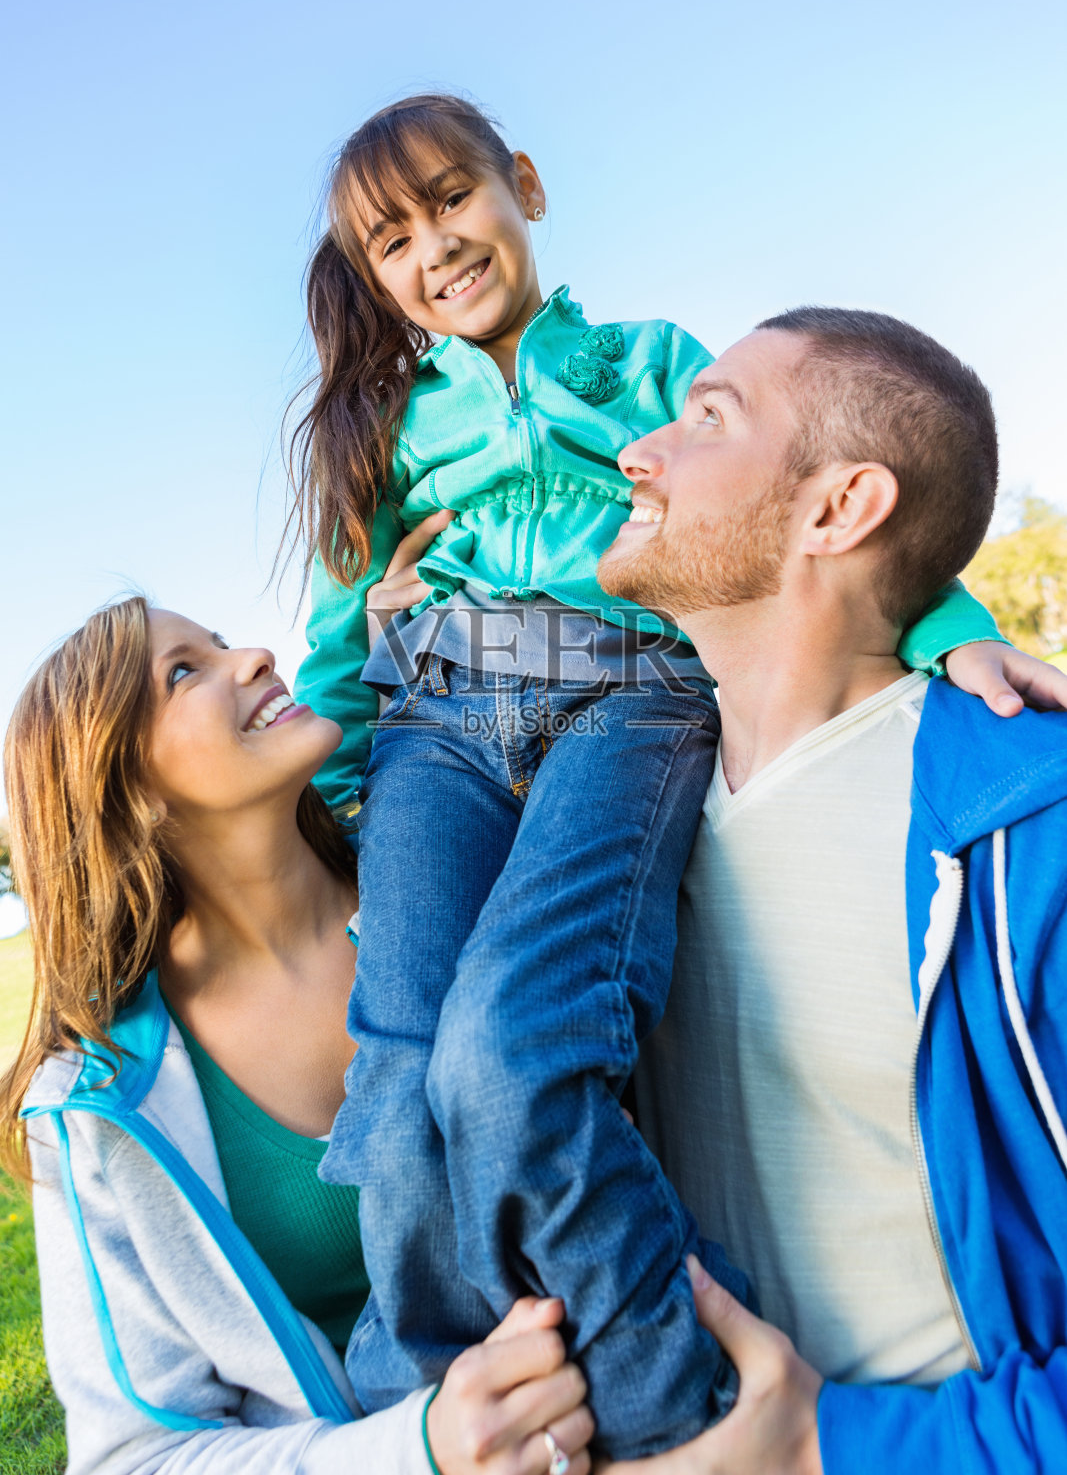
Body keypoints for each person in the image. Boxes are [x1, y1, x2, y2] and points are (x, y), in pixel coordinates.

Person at [289, 91, 1044, 1456]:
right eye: (390, 240)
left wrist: (958, 631)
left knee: (514, 1041)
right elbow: (347, 630)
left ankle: (676, 1410)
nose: (433, 246)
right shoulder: (395, 432)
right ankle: (435, 1401)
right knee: (397, 1085)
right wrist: (330, 782)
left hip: (622, 689)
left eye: (452, 199)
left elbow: (825, 492)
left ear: (522, 184)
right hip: (443, 709)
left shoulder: (640, 364)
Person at [588, 307, 1067, 1472]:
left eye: (707, 417)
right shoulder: (605, 830)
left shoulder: (1031, 829)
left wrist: (827, 1443)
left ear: (839, 507)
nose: (635, 451)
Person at [0, 597, 593, 1475]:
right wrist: (416, 1450)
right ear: (127, 793)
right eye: (183, 673)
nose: (254, 657)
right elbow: (135, 1458)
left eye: (220, 641)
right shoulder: (94, 1104)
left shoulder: (464, 870)